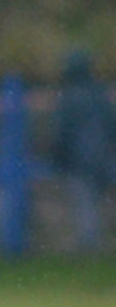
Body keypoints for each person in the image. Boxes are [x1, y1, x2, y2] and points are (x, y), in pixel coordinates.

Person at [51, 49, 115, 251]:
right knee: (100, 204)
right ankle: (98, 245)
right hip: (104, 159)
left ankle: (89, 246)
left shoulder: (68, 97)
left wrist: (58, 157)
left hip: (78, 161)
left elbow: (61, 132)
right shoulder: (99, 94)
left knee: (84, 205)